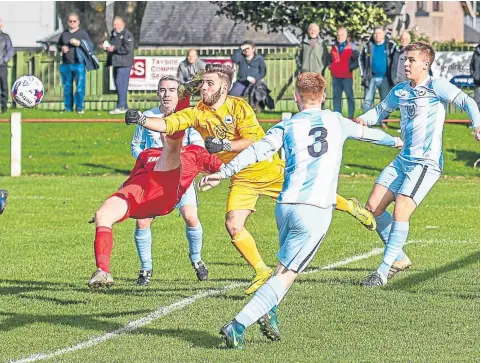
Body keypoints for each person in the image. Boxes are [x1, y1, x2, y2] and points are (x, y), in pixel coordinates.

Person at [124, 64, 378, 296]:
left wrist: (225, 144)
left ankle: (353, 207)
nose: (204, 87)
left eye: (210, 83)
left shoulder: (238, 107)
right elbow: (170, 123)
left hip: (266, 169)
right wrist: (143, 120)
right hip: (241, 177)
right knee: (233, 225)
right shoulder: (197, 112)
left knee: (315, 196)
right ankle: (261, 270)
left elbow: (255, 142)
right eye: (203, 83)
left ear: (224, 88)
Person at [197, 72, 402, 349]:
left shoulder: (288, 125)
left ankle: (267, 311)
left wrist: (223, 172)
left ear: (296, 97)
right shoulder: (337, 122)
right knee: (286, 274)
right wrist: (397, 142)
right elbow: (371, 135)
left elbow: (256, 151)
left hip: (285, 206)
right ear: (324, 96)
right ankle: (238, 324)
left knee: (283, 268)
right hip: (314, 210)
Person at [354, 42, 480, 287]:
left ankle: (381, 272)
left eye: (411, 60)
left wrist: (477, 124)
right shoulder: (400, 90)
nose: (406, 64)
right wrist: (362, 120)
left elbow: (468, 102)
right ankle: (399, 258)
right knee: (373, 207)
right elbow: (380, 111)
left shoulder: (436, 86)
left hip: (426, 163)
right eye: (405, 59)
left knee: (401, 208)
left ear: (426, 63)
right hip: (403, 160)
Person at [87, 130, 224, 289]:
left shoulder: (193, 152)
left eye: (173, 133)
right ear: (160, 136)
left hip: (165, 196)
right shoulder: (147, 154)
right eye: (165, 133)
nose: (168, 137)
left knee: (190, 216)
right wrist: (108, 204)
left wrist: (216, 179)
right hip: (139, 194)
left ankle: (197, 260)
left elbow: (222, 167)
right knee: (103, 215)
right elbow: (130, 181)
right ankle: (104, 272)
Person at [130, 76, 208, 285]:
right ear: (157, 93)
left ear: (178, 93)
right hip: (154, 180)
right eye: (162, 90)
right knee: (142, 221)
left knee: (191, 217)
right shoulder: (147, 117)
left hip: (180, 180)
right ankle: (145, 269)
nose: (167, 95)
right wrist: (148, 159)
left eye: (172, 90)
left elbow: (198, 147)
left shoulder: (188, 117)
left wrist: (182, 159)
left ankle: (197, 260)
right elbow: (135, 146)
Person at [359, 26, 397, 128]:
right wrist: (363, 74)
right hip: (371, 77)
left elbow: (396, 61)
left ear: (384, 34)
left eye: (379, 33)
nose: (377, 35)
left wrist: (393, 75)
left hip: (385, 78)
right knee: (367, 100)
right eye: (375, 33)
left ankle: (383, 121)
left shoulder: (391, 45)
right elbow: (360, 59)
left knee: (385, 101)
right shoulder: (368, 45)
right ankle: (366, 122)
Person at [57, 13, 91, 114]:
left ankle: (79, 108)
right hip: (66, 64)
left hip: (79, 64)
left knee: (80, 88)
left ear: (78, 22)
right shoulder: (64, 34)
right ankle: (68, 108)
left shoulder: (83, 34)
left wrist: (79, 43)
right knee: (67, 88)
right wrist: (62, 48)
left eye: (74, 21)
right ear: (68, 22)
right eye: (70, 21)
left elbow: (90, 46)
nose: (72, 23)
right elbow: (58, 45)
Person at [102, 16, 134, 115]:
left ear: (123, 24)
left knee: (121, 85)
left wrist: (114, 48)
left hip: (124, 64)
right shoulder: (113, 34)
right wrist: (106, 48)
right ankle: (123, 106)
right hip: (116, 63)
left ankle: (121, 106)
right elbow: (112, 46)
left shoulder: (127, 34)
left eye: (118, 24)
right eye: (114, 24)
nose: (116, 26)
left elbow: (127, 48)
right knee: (118, 85)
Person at [329, 26, 359, 118]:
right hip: (336, 77)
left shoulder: (352, 47)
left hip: (347, 77)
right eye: (338, 35)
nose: (339, 37)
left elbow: (358, 61)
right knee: (336, 98)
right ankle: (337, 116)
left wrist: (349, 67)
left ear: (346, 36)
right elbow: (329, 60)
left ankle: (350, 116)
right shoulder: (334, 47)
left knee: (349, 97)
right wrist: (331, 67)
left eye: (342, 35)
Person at [0, 18, 13, 113]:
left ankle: (4, 108)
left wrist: (4, 60)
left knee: (4, 87)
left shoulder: (5, 37)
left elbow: (10, 51)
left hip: (2, 66)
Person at [470, 44, 480, 109]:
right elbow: (471, 65)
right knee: (477, 99)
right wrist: (474, 74)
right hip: (477, 79)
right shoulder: (476, 52)